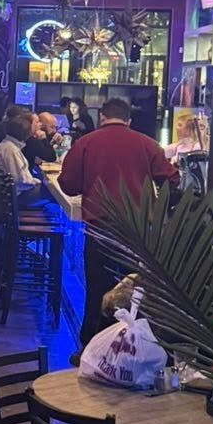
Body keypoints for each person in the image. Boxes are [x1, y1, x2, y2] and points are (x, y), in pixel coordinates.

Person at [58, 95, 180, 348]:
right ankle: (128, 347)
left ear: (102, 117)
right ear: (129, 120)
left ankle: (91, 346)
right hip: (136, 231)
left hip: (99, 229)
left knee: (96, 289)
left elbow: (67, 185)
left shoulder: (85, 143)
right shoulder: (147, 144)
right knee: (132, 292)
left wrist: (90, 184)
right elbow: (172, 179)